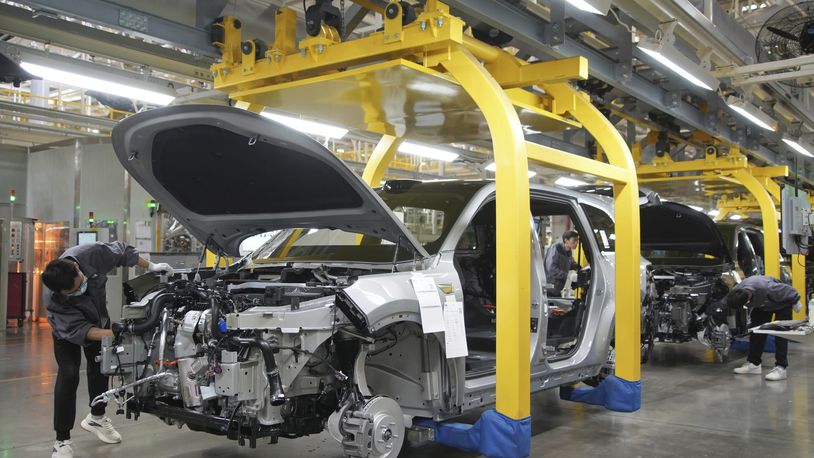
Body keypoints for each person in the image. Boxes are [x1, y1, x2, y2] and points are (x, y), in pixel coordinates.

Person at [42, 241, 173, 458]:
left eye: (81, 282)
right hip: (67, 331)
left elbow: (122, 253)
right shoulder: (54, 299)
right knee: (69, 374)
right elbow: (81, 330)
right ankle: (62, 440)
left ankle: (97, 418)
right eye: (74, 291)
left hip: (98, 318)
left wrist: (151, 266)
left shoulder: (91, 254)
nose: (80, 288)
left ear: (77, 267)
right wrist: (122, 333)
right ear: (62, 293)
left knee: (103, 366)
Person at [727, 275, 802, 381]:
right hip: (763, 304)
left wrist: (796, 302)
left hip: (782, 303)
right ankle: (754, 364)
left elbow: (790, 291)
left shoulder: (767, 288)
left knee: (780, 335)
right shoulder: (736, 291)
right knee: (756, 332)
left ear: (748, 301)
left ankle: (781, 368)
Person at [544, 230, 580, 297]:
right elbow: (551, 269)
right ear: (566, 240)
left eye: (577, 240)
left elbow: (570, 263)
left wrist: (578, 267)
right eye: (574, 240)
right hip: (549, 288)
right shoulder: (556, 249)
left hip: (557, 289)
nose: (576, 243)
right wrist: (568, 276)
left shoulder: (568, 252)